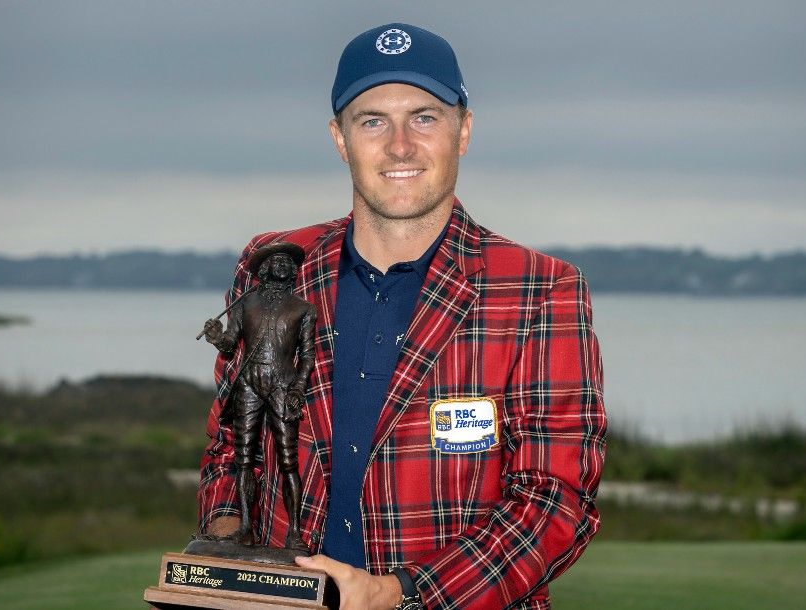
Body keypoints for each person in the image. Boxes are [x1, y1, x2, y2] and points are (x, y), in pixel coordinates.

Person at [198, 22, 607, 610]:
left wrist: (399, 595)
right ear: (340, 138)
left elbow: (555, 504)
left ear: (463, 131)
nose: (399, 146)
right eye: (372, 121)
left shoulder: (540, 291)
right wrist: (225, 552)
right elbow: (231, 437)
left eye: (424, 117)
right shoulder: (274, 265)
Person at [201, 243, 316, 551]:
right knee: (243, 459)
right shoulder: (245, 303)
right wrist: (215, 336)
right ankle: (246, 530)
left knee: (288, 461)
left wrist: (297, 389)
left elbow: (307, 356)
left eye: (286, 262)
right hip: (249, 384)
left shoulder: (303, 308)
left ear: (292, 271)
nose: (281, 265)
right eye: (275, 261)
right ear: (265, 269)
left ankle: (294, 532)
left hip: (283, 384)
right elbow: (229, 344)